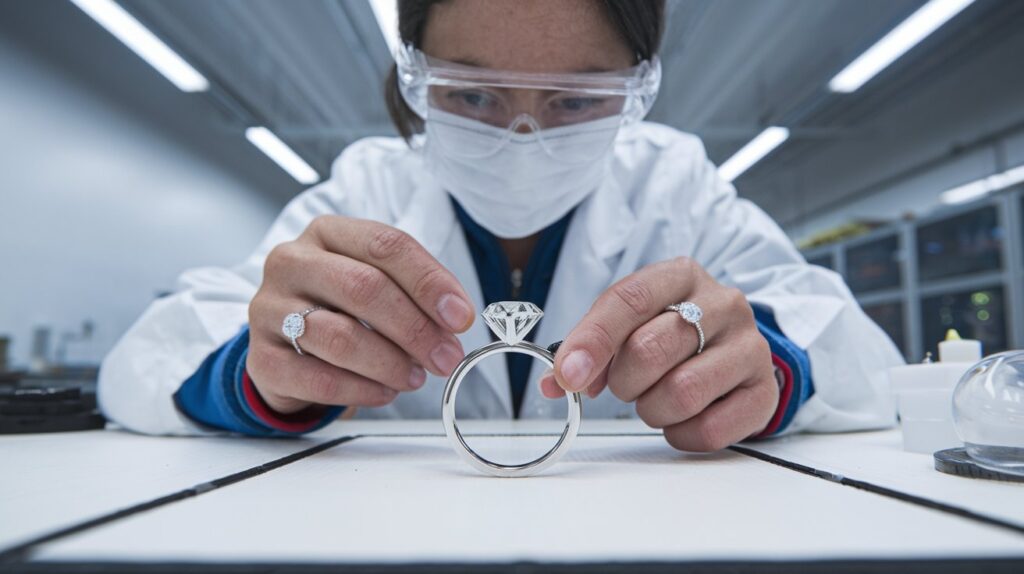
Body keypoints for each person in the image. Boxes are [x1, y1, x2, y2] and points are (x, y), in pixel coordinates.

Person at [98, 0, 904, 451]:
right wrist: (257, 372)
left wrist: (770, 364)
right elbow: (146, 361)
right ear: (413, 75)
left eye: (576, 100)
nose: (524, 137)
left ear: (636, 89)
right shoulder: (366, 189)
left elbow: (866, 360)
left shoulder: (677, 185)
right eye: (474, 94)